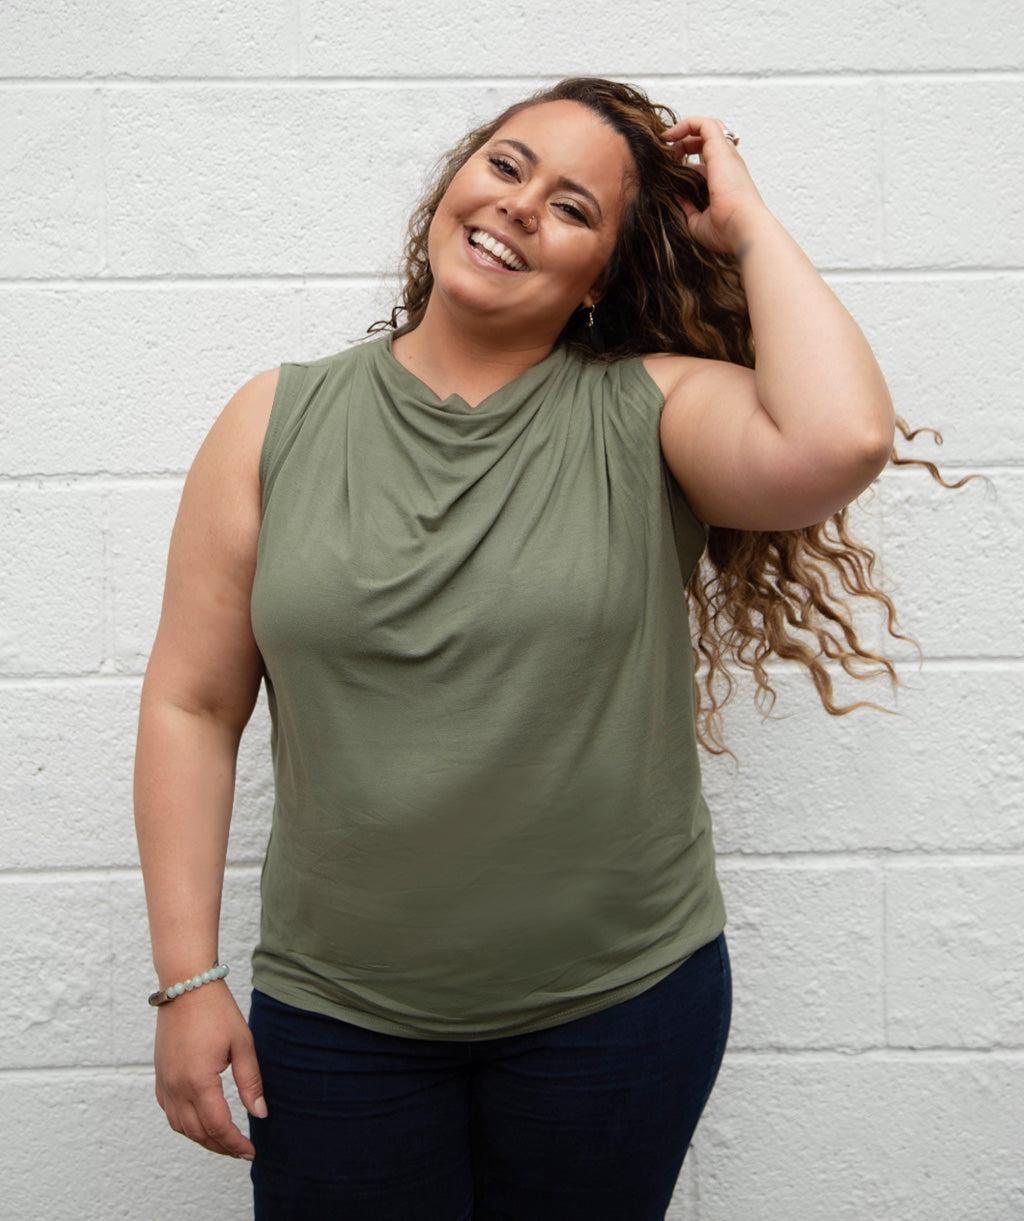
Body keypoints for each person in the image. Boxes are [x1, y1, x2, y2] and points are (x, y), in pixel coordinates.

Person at [135, 77, 900, 1219]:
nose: (521, 205)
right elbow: (192, 706)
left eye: (575, 207)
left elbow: (842, 438)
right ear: (454, 182)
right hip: (340, 1020)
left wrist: (743, 223)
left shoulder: (649, 411)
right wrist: (186, 980)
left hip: (618, 1013)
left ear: (603, 276)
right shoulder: (273, 419)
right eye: (505, 164)